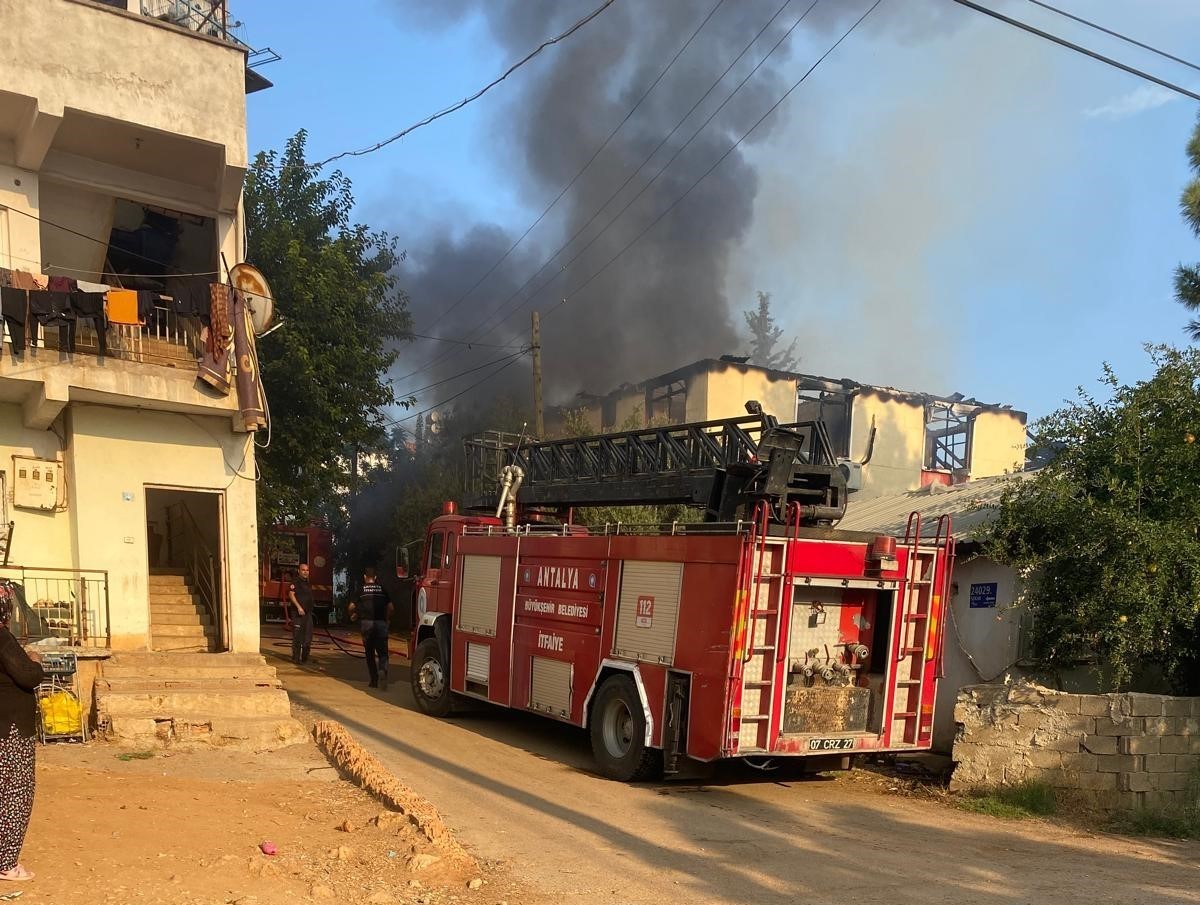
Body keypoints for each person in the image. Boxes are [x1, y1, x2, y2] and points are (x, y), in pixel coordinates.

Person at [0, 594, 44, 883]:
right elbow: (27, 676)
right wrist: (35, 660)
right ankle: (6, 861)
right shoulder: (2, 638)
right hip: (10, 728)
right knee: (15, 791)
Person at [348, 566, 392, 690]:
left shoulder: (361, 590)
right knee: (383, 653)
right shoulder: (382, 589)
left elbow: (351, 606)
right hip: (381, 624)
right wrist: (387, 619)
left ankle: (373, 680)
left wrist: (353, 615)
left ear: (364, 577)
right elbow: (391, 607)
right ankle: (383, 670)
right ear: (376, 577)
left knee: (369, 653)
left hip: (366, 624)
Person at [287, 563, 315, 665]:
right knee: (297, 637)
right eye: (303, 570)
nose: (305, 572)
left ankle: (304, 658)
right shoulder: (295, 582)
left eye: (307, 570)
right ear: (299, 571)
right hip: (298, 614)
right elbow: (291, 594)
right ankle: (296, 658)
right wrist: (299, 607)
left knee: (308, 638)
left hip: (308, 614)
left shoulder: (308, 583)